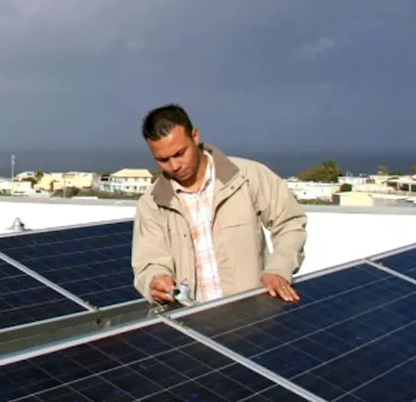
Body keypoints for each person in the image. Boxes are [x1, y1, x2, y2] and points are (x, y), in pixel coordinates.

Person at [130, 104, 307, 306]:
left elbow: (290, 224)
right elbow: (148, 263)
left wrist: (278, 270)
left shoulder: (248, 177)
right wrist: (155, 280)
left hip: (252, 317)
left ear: (195, 137)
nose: (174, 166)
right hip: (190, 324)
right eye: (163, 160)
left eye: (180, 153)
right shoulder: (152, 203)